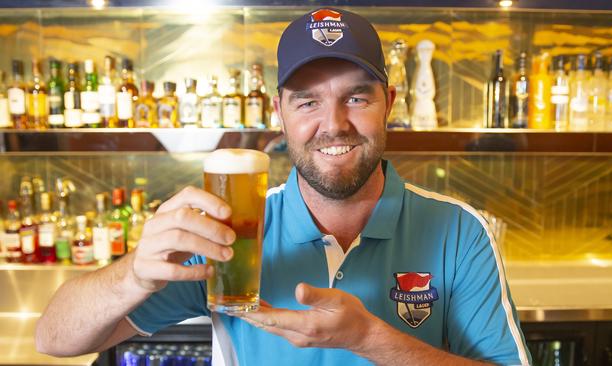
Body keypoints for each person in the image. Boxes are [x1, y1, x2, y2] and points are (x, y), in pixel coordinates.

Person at [35, 8, 531, 366]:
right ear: (280, 113)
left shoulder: (459, 231)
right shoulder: (231, 230)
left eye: (356, 97)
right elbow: (55, 338)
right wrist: (133, 276)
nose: (334, 124)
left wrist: (369, 339)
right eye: (307, 102)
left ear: (390, 103)